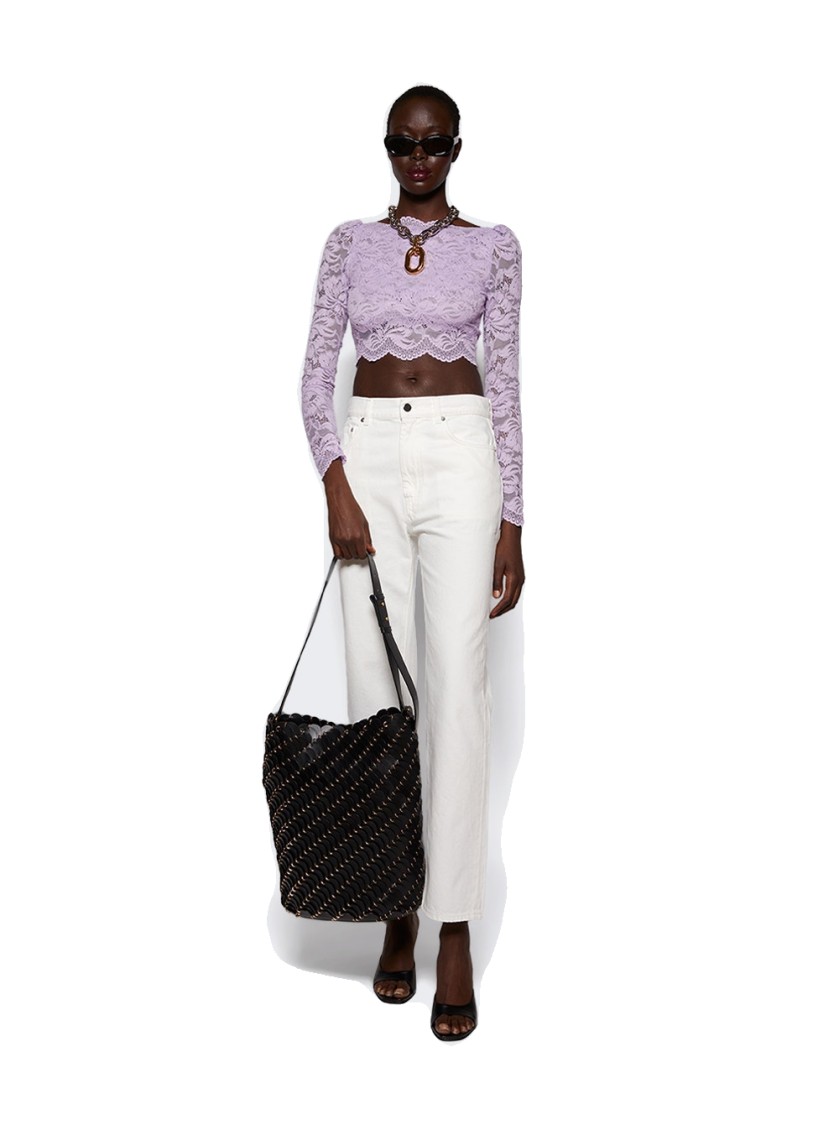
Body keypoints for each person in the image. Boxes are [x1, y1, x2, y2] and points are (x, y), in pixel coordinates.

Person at [300, 85, 524, 1040]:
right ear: (387, 149)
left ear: (457, 148)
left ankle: (454, 925)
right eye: (402, 142)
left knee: (458, 690)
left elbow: (505, 380)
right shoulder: (347, 244)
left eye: (433, 142)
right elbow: (314, 372)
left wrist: (512, 518)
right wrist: (336, 485)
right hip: (370, 456)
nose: (418, 156)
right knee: (378, 693)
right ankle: (397, 906)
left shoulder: (494, 247)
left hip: (461, 453)